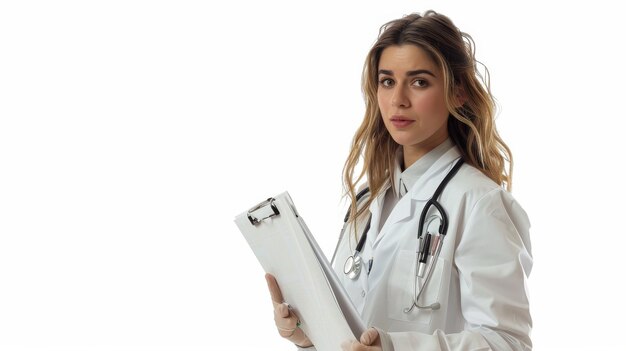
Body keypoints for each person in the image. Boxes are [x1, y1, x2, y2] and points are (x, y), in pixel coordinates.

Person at [265, 10, 532, 351]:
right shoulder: (368, 200)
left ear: (458, 93)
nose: (398, 100)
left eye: (419, 82)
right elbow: (354, 325)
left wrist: (394, 347)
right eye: (387, 81)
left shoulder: (480, 202)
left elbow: (508, 342)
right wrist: (308, 333)